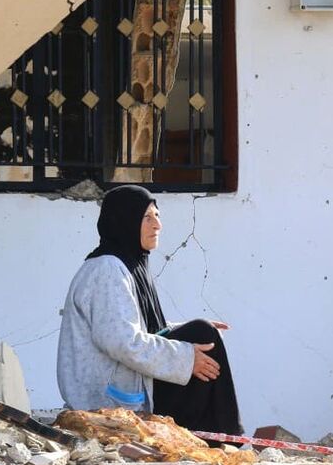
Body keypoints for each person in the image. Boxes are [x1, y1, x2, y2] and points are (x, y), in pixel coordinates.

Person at [56, 185, 243, 434]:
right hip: (105, 399)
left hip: (130, 385)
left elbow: (137, 328)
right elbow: (122, 342)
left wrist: (181, 333)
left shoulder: (127, 263)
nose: (157, 225)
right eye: (146, 217)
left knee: (202, 332)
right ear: (125, 221)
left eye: (157, 215)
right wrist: (184, 359)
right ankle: (227, 436)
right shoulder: (107, 270)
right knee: (202, 335)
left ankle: (222, 436)